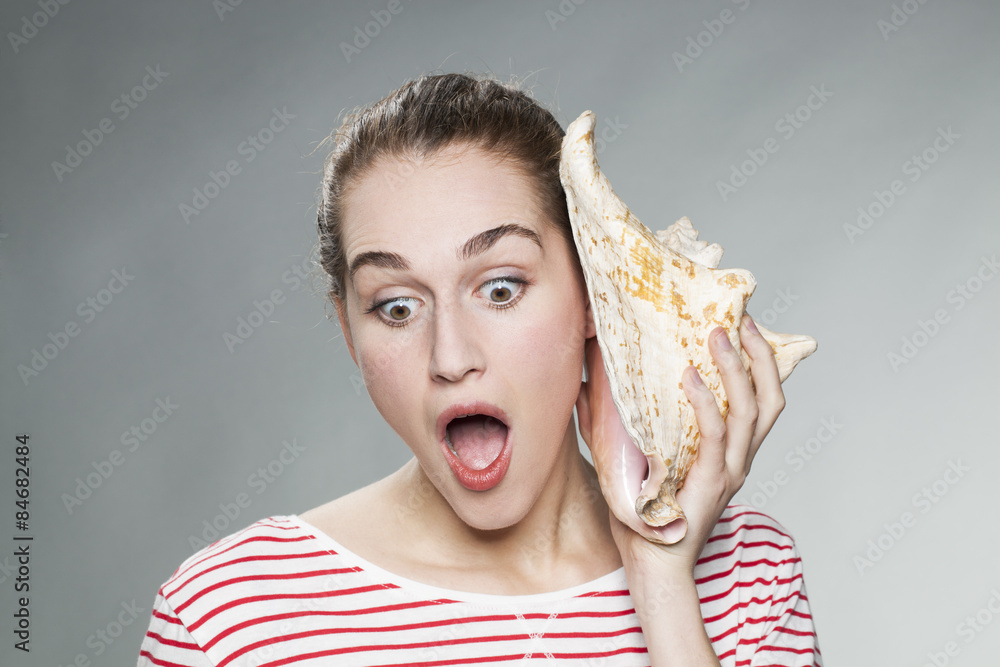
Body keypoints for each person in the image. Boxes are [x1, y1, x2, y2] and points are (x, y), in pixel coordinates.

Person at [137, 72, 822, 666]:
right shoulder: (230, 616)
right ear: (350, 332)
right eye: (397, 307)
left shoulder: (747, 580)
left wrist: (662, 578)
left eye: (500, 289)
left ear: (594, 297)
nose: (452, 358)